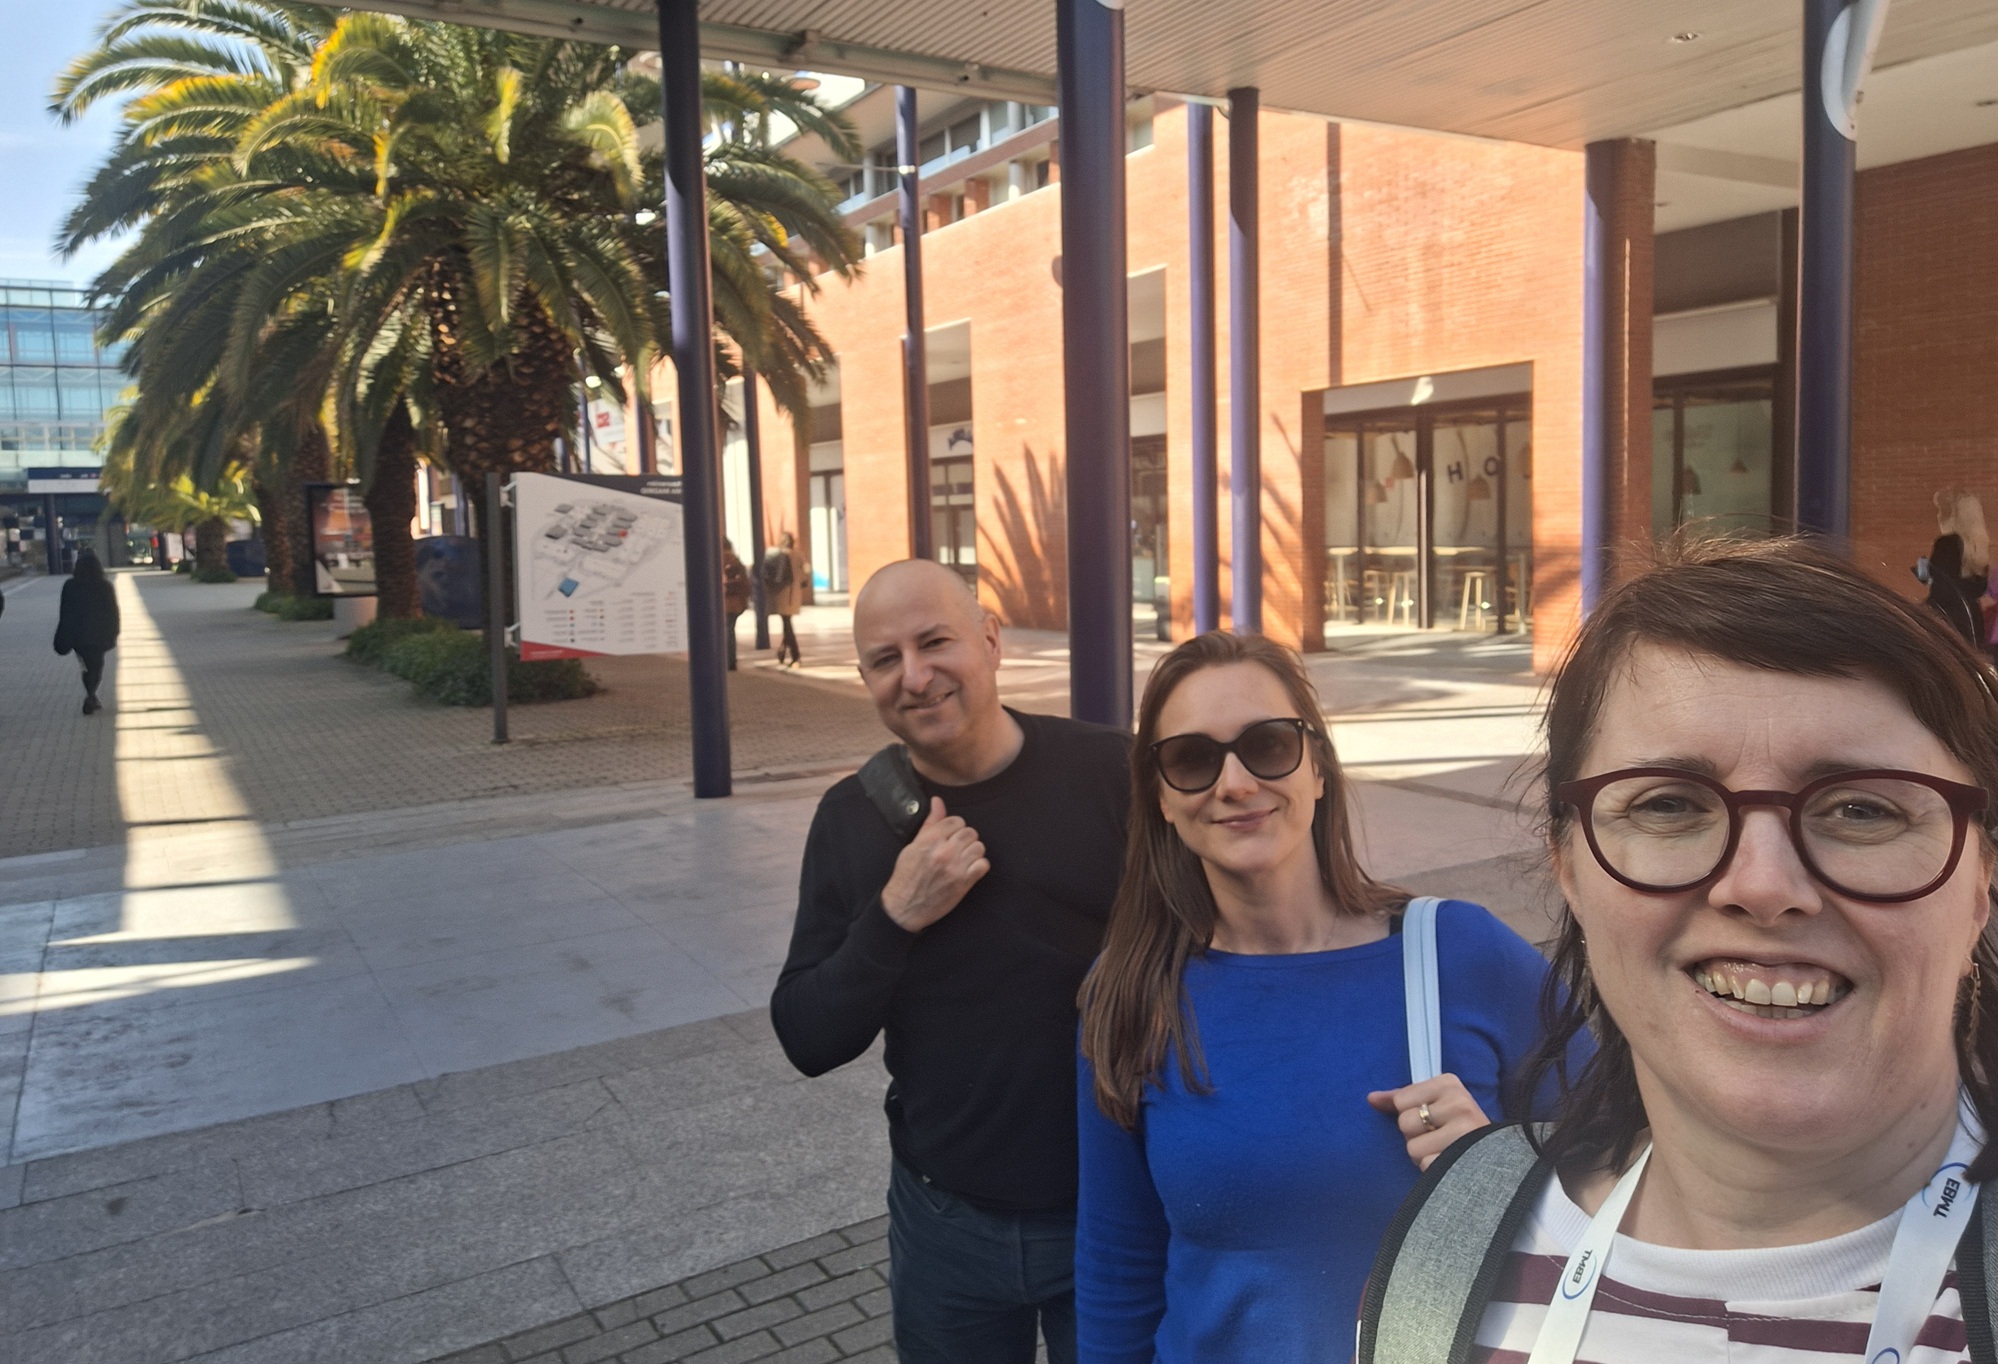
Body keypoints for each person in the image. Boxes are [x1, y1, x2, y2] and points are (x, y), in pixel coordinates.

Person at [1359, 536, 1998, 1363]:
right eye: (1668, 805)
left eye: (1863, 810)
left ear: (1981, 879)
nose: (1762, 885)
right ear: (1569, 868)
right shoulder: (1447, 1262)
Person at [1072, 631, 1577, 1362]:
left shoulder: (1460, 953)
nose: (1235, 783)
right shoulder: (1129, 993)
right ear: (1161, 798)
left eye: (1268, 745)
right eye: (1191, 759)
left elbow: (1631, 1155)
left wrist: (1500, 1161)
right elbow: (1117, 1265)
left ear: (1316, 767)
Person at [771, 559, 1131, 1364]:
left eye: (935, 642)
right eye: (885, 659)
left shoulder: (1113, 772)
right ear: (865, 679)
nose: (914, 676)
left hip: (1113, 1212)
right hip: (945, 1227)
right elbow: (807, 1036)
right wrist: (895, 915)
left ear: (991, 641)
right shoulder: (850, 821)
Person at [53, 548, 120, 715]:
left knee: (87, 665)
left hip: (78, 636)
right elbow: (113, 611)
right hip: (99, 635)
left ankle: (91, 695)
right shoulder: (105, 585)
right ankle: (91, 695)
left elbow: (65, 612)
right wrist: (114, 631)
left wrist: (64, 633)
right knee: (96, 666)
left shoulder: (70, 585)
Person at [762, 531, 807, 667]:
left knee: (787, 624)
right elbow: (805, 575)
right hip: (793, 595)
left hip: (780, 594)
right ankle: (786, 652)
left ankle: (795, 655)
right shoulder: (798, 555)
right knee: (787, 623)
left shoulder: (776, 554)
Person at [721, 538, 751, 670]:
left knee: (727, 630)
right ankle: (731, 659)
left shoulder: (720, 560)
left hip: (726, 601)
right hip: (737, 601)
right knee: (730, 629)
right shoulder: (736, 561)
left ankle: (728, 659)